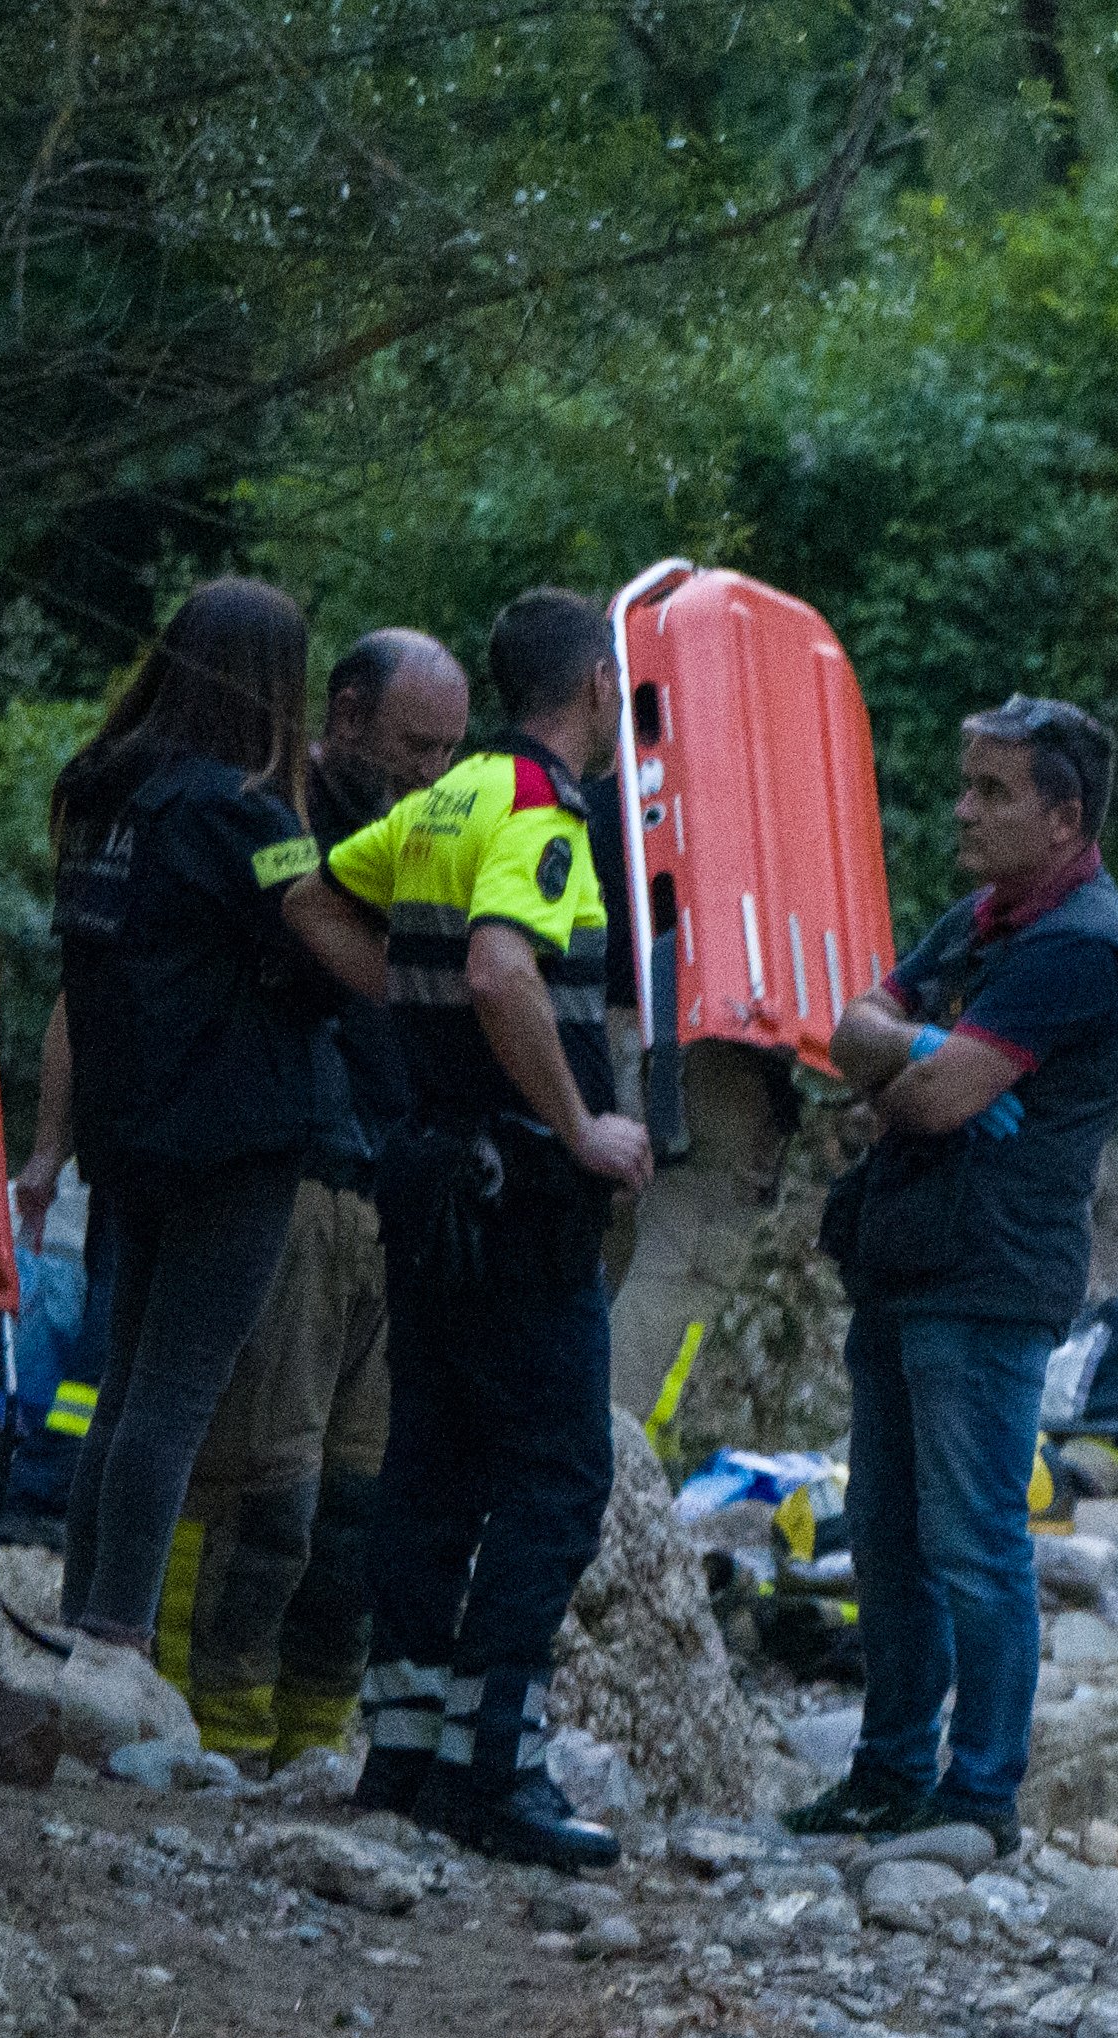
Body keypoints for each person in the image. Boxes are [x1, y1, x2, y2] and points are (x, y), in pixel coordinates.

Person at [291, 585, 650, 1865]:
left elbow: (313, 901)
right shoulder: (543, 811)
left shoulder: (442, 799)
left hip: (428, 1179)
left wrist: (404, 1000)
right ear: (600, 686)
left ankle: (403, 1754)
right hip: (518, 1198)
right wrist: (580, 1126)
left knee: (432, 1466)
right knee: (556, 1479)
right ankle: (500, 1766)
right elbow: (504, 969)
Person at [24, 579, 390, 1765]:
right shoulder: (241, 812)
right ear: (275, 687)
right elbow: (329, 938)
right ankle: (118, 1644)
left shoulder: (100, 793)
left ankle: (87, 1627)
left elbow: (80, 990)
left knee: (124, 1388)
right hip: (232, 1141)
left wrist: (48, 1151)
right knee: (172, 1397)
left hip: (128, 1137)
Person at [783, 695, 1118, 1854]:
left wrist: (910, 1065)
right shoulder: (981, 922)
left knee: (976, 1543)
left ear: (1063, 816)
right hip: (907, 1263)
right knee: (886, 1533)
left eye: (992, 792)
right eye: (967, 784)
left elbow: (922, 1090)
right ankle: (890, 1774)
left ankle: (979, 1799)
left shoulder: (1081, 947)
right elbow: (847, 1032)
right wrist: (915, 1057)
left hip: (987, 1281)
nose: (963, 810)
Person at [106, 626, 469, 1771]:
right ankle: (181, 1722)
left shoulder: (434, 828)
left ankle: (310, 1755)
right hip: (297, 1170)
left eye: (450, 753)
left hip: (395, 1187)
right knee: (258, 1496)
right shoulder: (265, 813)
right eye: (416, 745)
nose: (430, 775)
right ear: (346, 711)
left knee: (359, 1512)